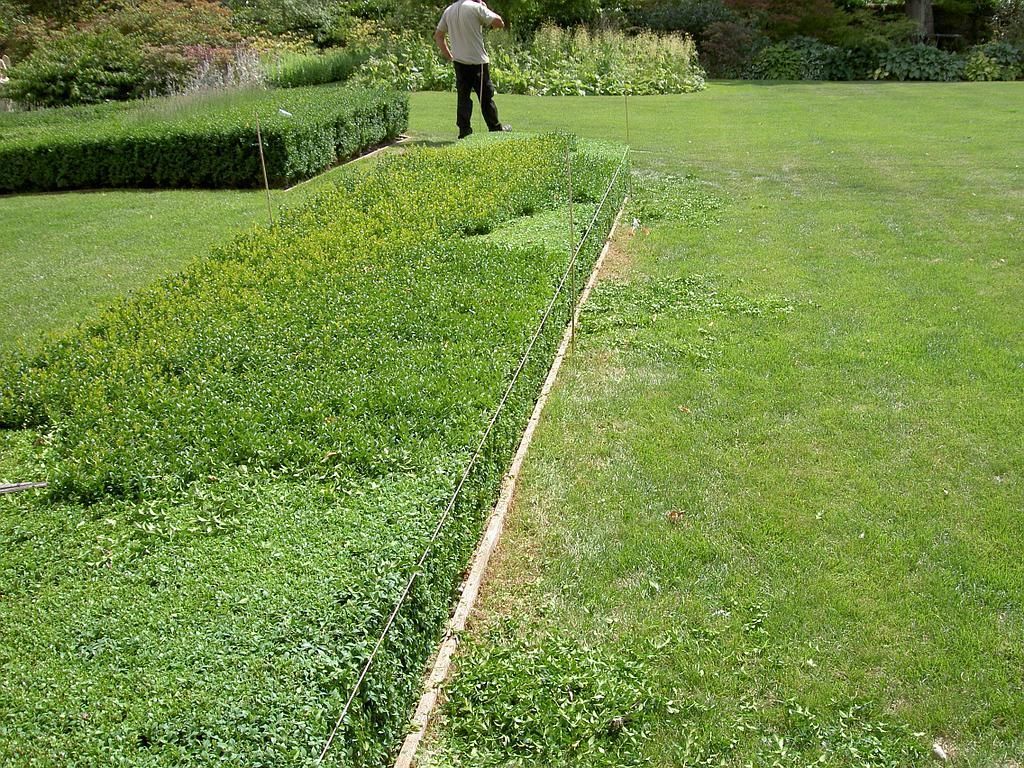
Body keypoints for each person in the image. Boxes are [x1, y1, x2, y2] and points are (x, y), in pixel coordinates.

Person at [434, 0, 510, 139]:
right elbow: (499, 23)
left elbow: (438, 36)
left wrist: (449, 56)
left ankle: (464, 131)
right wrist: (484, 8)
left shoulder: (449, 10)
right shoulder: (475, 8)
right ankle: (495, 128)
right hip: (478, 62)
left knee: (463, 98)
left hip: (459, 62)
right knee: (486, 97)